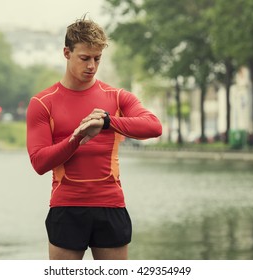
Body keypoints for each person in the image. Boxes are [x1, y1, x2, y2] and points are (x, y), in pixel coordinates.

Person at [26, 17, 162, 260]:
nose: (92, 66)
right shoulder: (42, 103)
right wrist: (76, 138)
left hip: (111, 206)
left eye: (97, 58)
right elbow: (39, 163)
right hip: (66, 208)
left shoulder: (117, 97)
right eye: (85, 58)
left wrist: (108, 122)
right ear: (66, 53)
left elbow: (154, 127)